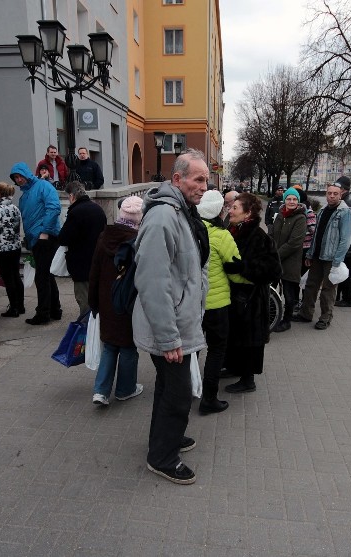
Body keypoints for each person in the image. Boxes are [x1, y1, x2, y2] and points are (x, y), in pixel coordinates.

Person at [133, 148, 210, 485]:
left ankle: (166, 439)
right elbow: (152, 282)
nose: (204, 186)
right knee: (177, 394)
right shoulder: (164, 216)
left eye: (207, 179)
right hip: (170, 328)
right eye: (198, 179)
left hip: (181, 322)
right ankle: (162, 458)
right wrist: (168, 338)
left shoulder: (182, 211)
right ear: (177, 179)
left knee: (169, 388)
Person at [222, 193, 282, 393]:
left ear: (248, 213)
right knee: (235, 336)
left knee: (248, 339)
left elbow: (273, 270)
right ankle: (233, 368)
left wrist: (243, 267)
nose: (230, 210)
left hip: (252, 299)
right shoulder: (234, 230)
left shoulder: (259, 236)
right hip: (236, 296)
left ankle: (248, 380)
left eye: (235, 208)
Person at [88, 196, 144, 406]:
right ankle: (125, 389)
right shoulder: (139, 240)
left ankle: (100, 391)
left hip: (106, 299)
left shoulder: (104, 237)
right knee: (128, 346)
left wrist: (93, 303)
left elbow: (94, 272)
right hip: (129, 301)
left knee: (110, 345)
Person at [195, 189, 241, 415]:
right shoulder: (222, 236)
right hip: (217, 305)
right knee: (216, 351)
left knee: (192, 350)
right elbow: (235, 270)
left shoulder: (188, 228)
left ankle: (188, 390)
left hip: (192, 305)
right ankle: (209, 399)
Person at [294, 184, 351, 330]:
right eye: (329, 193)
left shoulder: (344, 212)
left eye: (335, 193)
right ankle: (306, 314)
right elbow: (316, 235)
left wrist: (337, 261)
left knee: (328, 289)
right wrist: (310, 254)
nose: (331, 196)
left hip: (331, 258)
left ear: (341, 195)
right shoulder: (323, 210)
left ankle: (325, 318)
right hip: (317, 256)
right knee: (310, 286)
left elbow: (345, 240)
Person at [10, 162, 62, 325]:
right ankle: (54, 310)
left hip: (45, 238)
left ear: (26, 174)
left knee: (42, 277)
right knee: (47, 275)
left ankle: (43, 313)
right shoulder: (25, 195)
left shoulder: (43, 186)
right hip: (37, 238)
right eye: (16, 178)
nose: (18, 180)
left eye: (20, 176)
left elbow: (54, 207)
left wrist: (44, 232)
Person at [58, 181, 106, 316]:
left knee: (83, 298)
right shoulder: (98, 209)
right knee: (96, 297)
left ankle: (86, 329)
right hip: (96, 260)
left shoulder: (75, 212)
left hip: (81, 263)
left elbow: (63, 238)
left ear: (72, 196)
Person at [0, 182, 24, 317]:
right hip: (15, 247)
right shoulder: (14, 208)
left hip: (2, 249)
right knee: (16, 276)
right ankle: (20, 305)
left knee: (8, 279)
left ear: (0, 194)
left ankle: (14, 308)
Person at [271, 187, 306, 332]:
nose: (291, 201)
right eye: (289, 199)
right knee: (271, 289)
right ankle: (271, 316)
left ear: (298, 201)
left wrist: (276, 255)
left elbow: (294, 243)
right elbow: (272, 235)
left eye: (294, 199)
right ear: (284, 200)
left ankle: (287, 320)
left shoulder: (300, 218)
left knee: (289, 293)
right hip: (275, 259)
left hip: (290, 261)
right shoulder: (280, 215)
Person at [334, 176, 351, 308]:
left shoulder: (348, 203)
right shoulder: (348, 200)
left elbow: (347, 226)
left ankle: (347, 298)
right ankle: (341, 296)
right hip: (350, 242)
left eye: (337, 189)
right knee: (343, 269)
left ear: (343, 189)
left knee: (343, 271)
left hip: (348, 244)